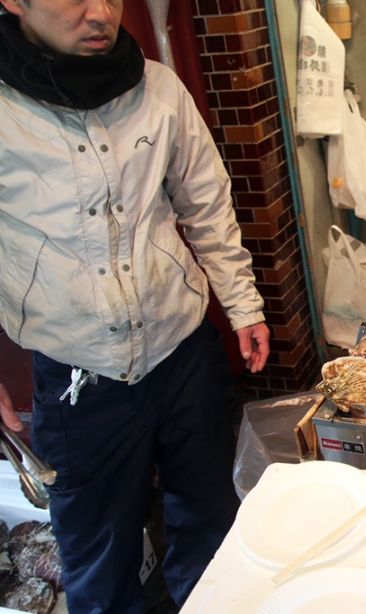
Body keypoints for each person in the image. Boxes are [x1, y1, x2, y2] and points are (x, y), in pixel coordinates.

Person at [0, 0, 270, 612]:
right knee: (97, 554)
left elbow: (206, 204)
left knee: (209, 519)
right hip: (77, 378)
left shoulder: (159, 89)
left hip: (183, 352)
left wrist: (242, 305)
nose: (101, 13)